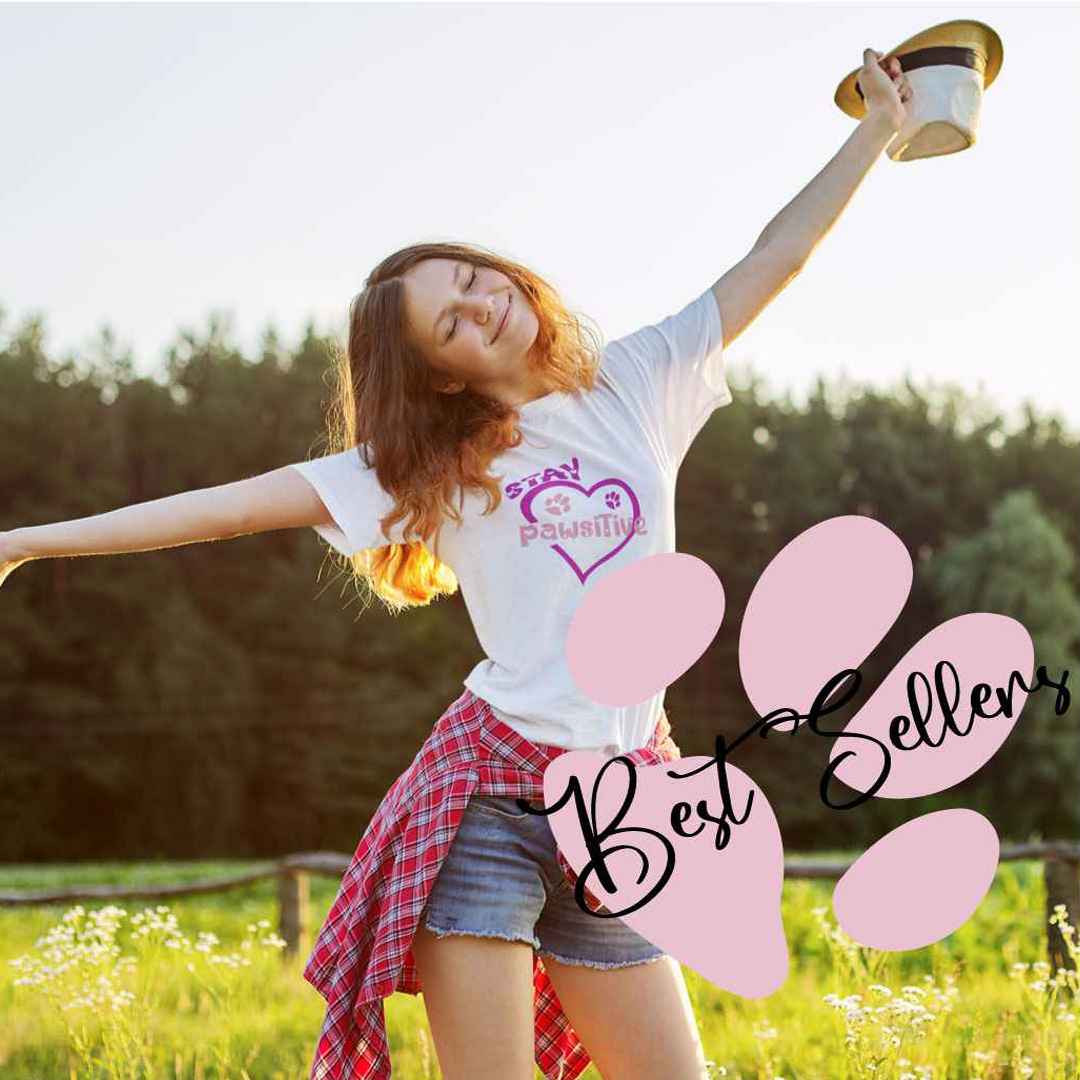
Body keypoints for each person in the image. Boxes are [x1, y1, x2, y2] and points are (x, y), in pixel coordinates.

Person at [0, 48, 911, 1080]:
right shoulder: (428, 465)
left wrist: (877, 130)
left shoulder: (637, 384)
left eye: (477, 282)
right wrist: (28, 542)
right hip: (484, 806)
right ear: (440, 373)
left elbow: (772, 258)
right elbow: (230, 509)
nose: (482, 307)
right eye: (453, 322)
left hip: (621, 810)